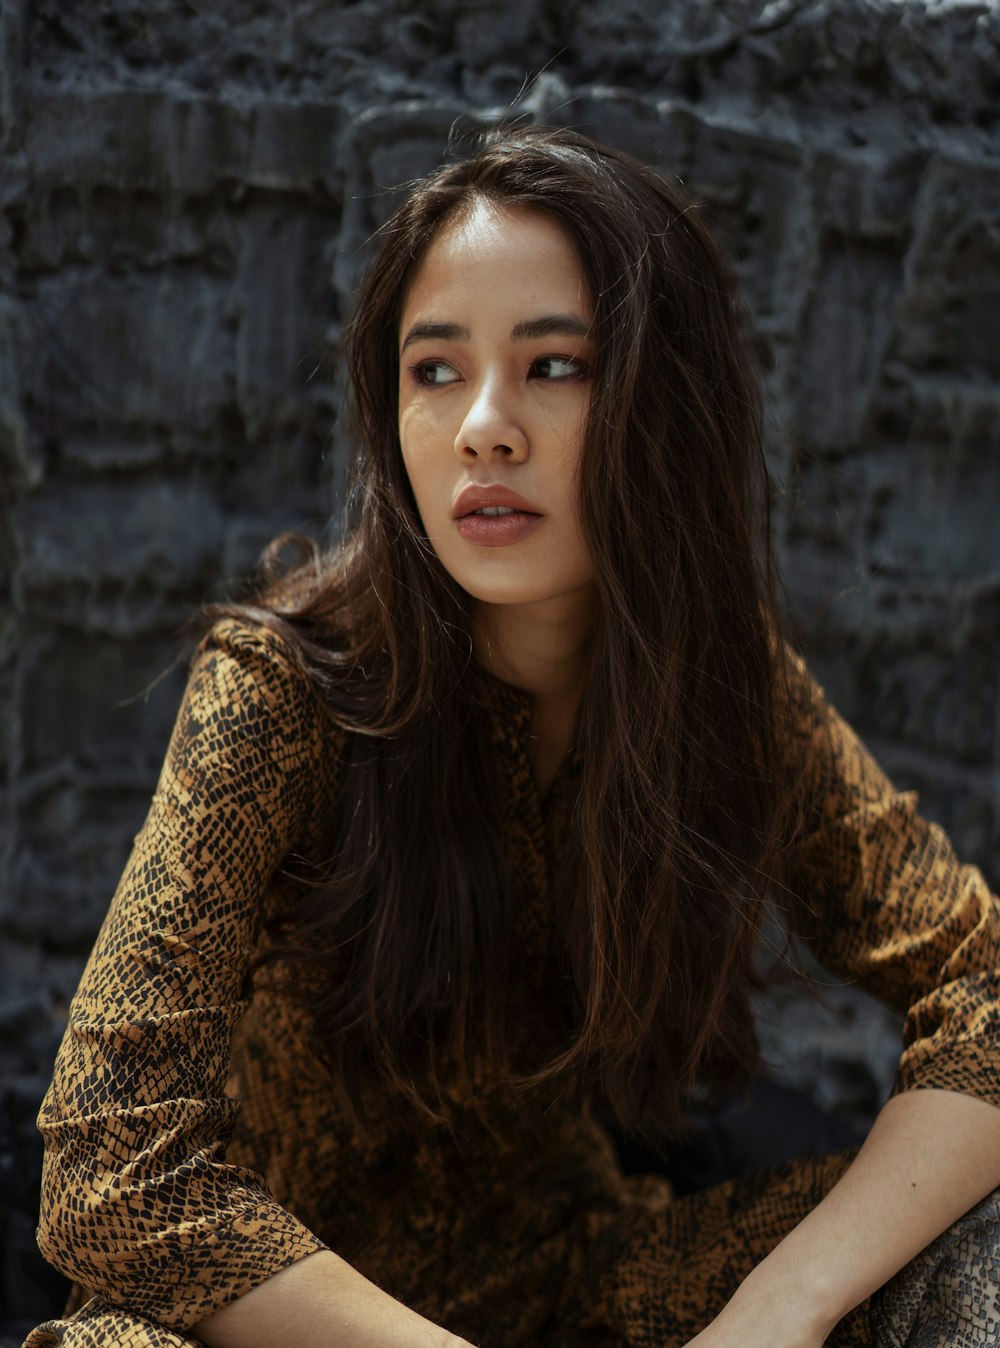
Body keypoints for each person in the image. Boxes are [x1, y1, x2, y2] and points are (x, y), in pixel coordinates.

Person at [25, 125, 1000, 1348]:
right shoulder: (283, 687)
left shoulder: (720, 684)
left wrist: (780, 1311)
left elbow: (985, 989)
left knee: (969, 1251)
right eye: (435, 371)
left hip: (578, 1291)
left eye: (555, 366)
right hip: (272, 1321)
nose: (484, 425)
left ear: (666, 400)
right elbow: (111, 1164)